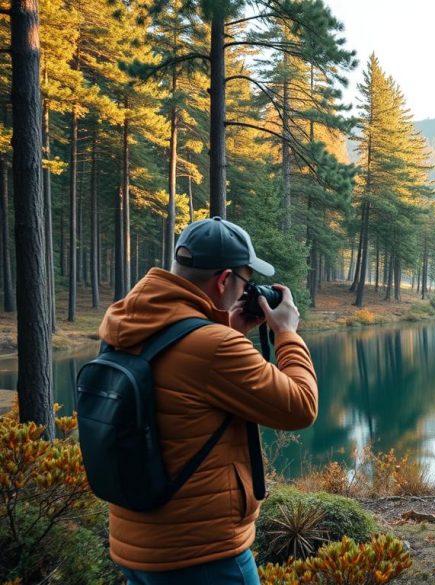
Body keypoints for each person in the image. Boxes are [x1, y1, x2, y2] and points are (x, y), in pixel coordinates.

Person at [98, 216, 318, 584]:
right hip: (202, 554)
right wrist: (286, 333)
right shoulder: (214, 347)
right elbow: (300, 407)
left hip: (136, 545)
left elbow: (175, 391)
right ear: (223, 280)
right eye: (246, 281)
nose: (247, 291)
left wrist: (225, 329)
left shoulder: (126, 322)